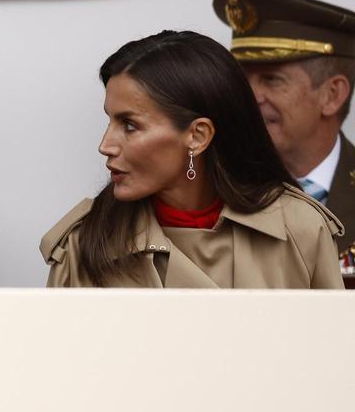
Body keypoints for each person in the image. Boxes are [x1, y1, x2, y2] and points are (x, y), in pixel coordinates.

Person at [41, 30, 343, 289]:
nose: (105, 145)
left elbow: (336, 352)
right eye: (110, 122)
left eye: (129, 125)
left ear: (198, 136)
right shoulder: (84, 244)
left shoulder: (300, 230)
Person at [212, 0, 355, 272]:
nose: (248, 96)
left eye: (272, 79)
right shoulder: (208, 188)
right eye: (241, 78)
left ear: (332, 95)